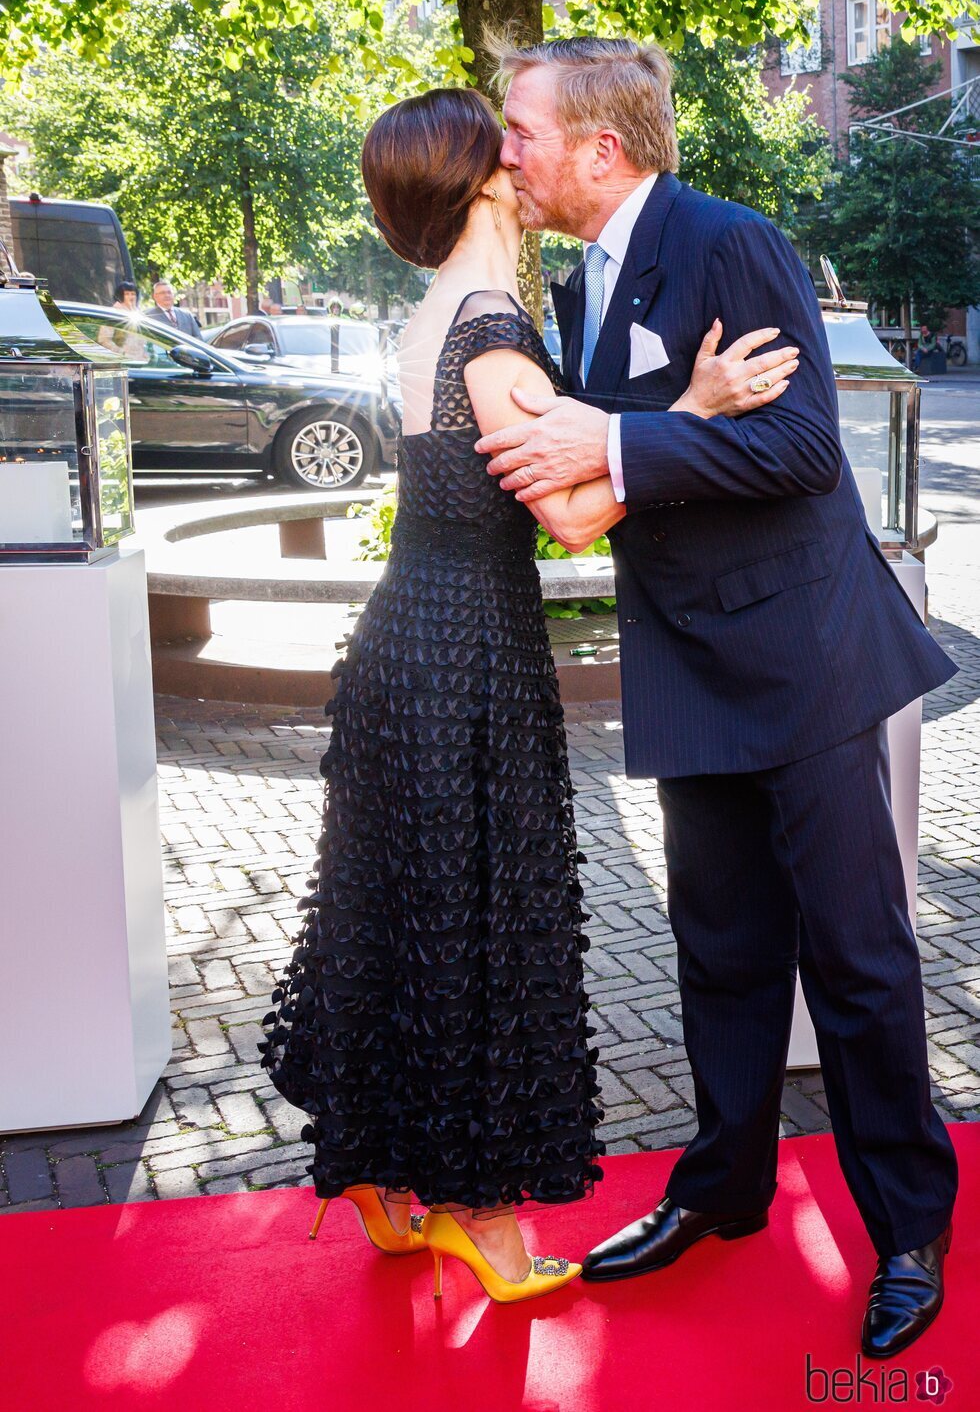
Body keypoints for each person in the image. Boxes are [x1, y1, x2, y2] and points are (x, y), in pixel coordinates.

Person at [258, 86, 793, 1306]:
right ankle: (485, 1225)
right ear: (485, 179)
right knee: (474, 926)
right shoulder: (492, 327)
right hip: (465, 652)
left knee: (402, 905)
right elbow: (563, 514)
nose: (520, 150)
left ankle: (387, 1188)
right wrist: (696, 412)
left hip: (413, 637)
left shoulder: (439, 308)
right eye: (500, 140)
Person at [473, 35, 957, 1356]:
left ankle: (910, 1223)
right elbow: (612, 489)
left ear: (598, 147)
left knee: (857, 958)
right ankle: (722, 1188)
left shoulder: (733, 241)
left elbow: (803, 449)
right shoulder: (573, 289)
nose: (503, 150)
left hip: (803, 660)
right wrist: (649, 424)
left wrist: (618, 433)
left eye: (518, 129)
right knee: (722, 953)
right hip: (686, 662)